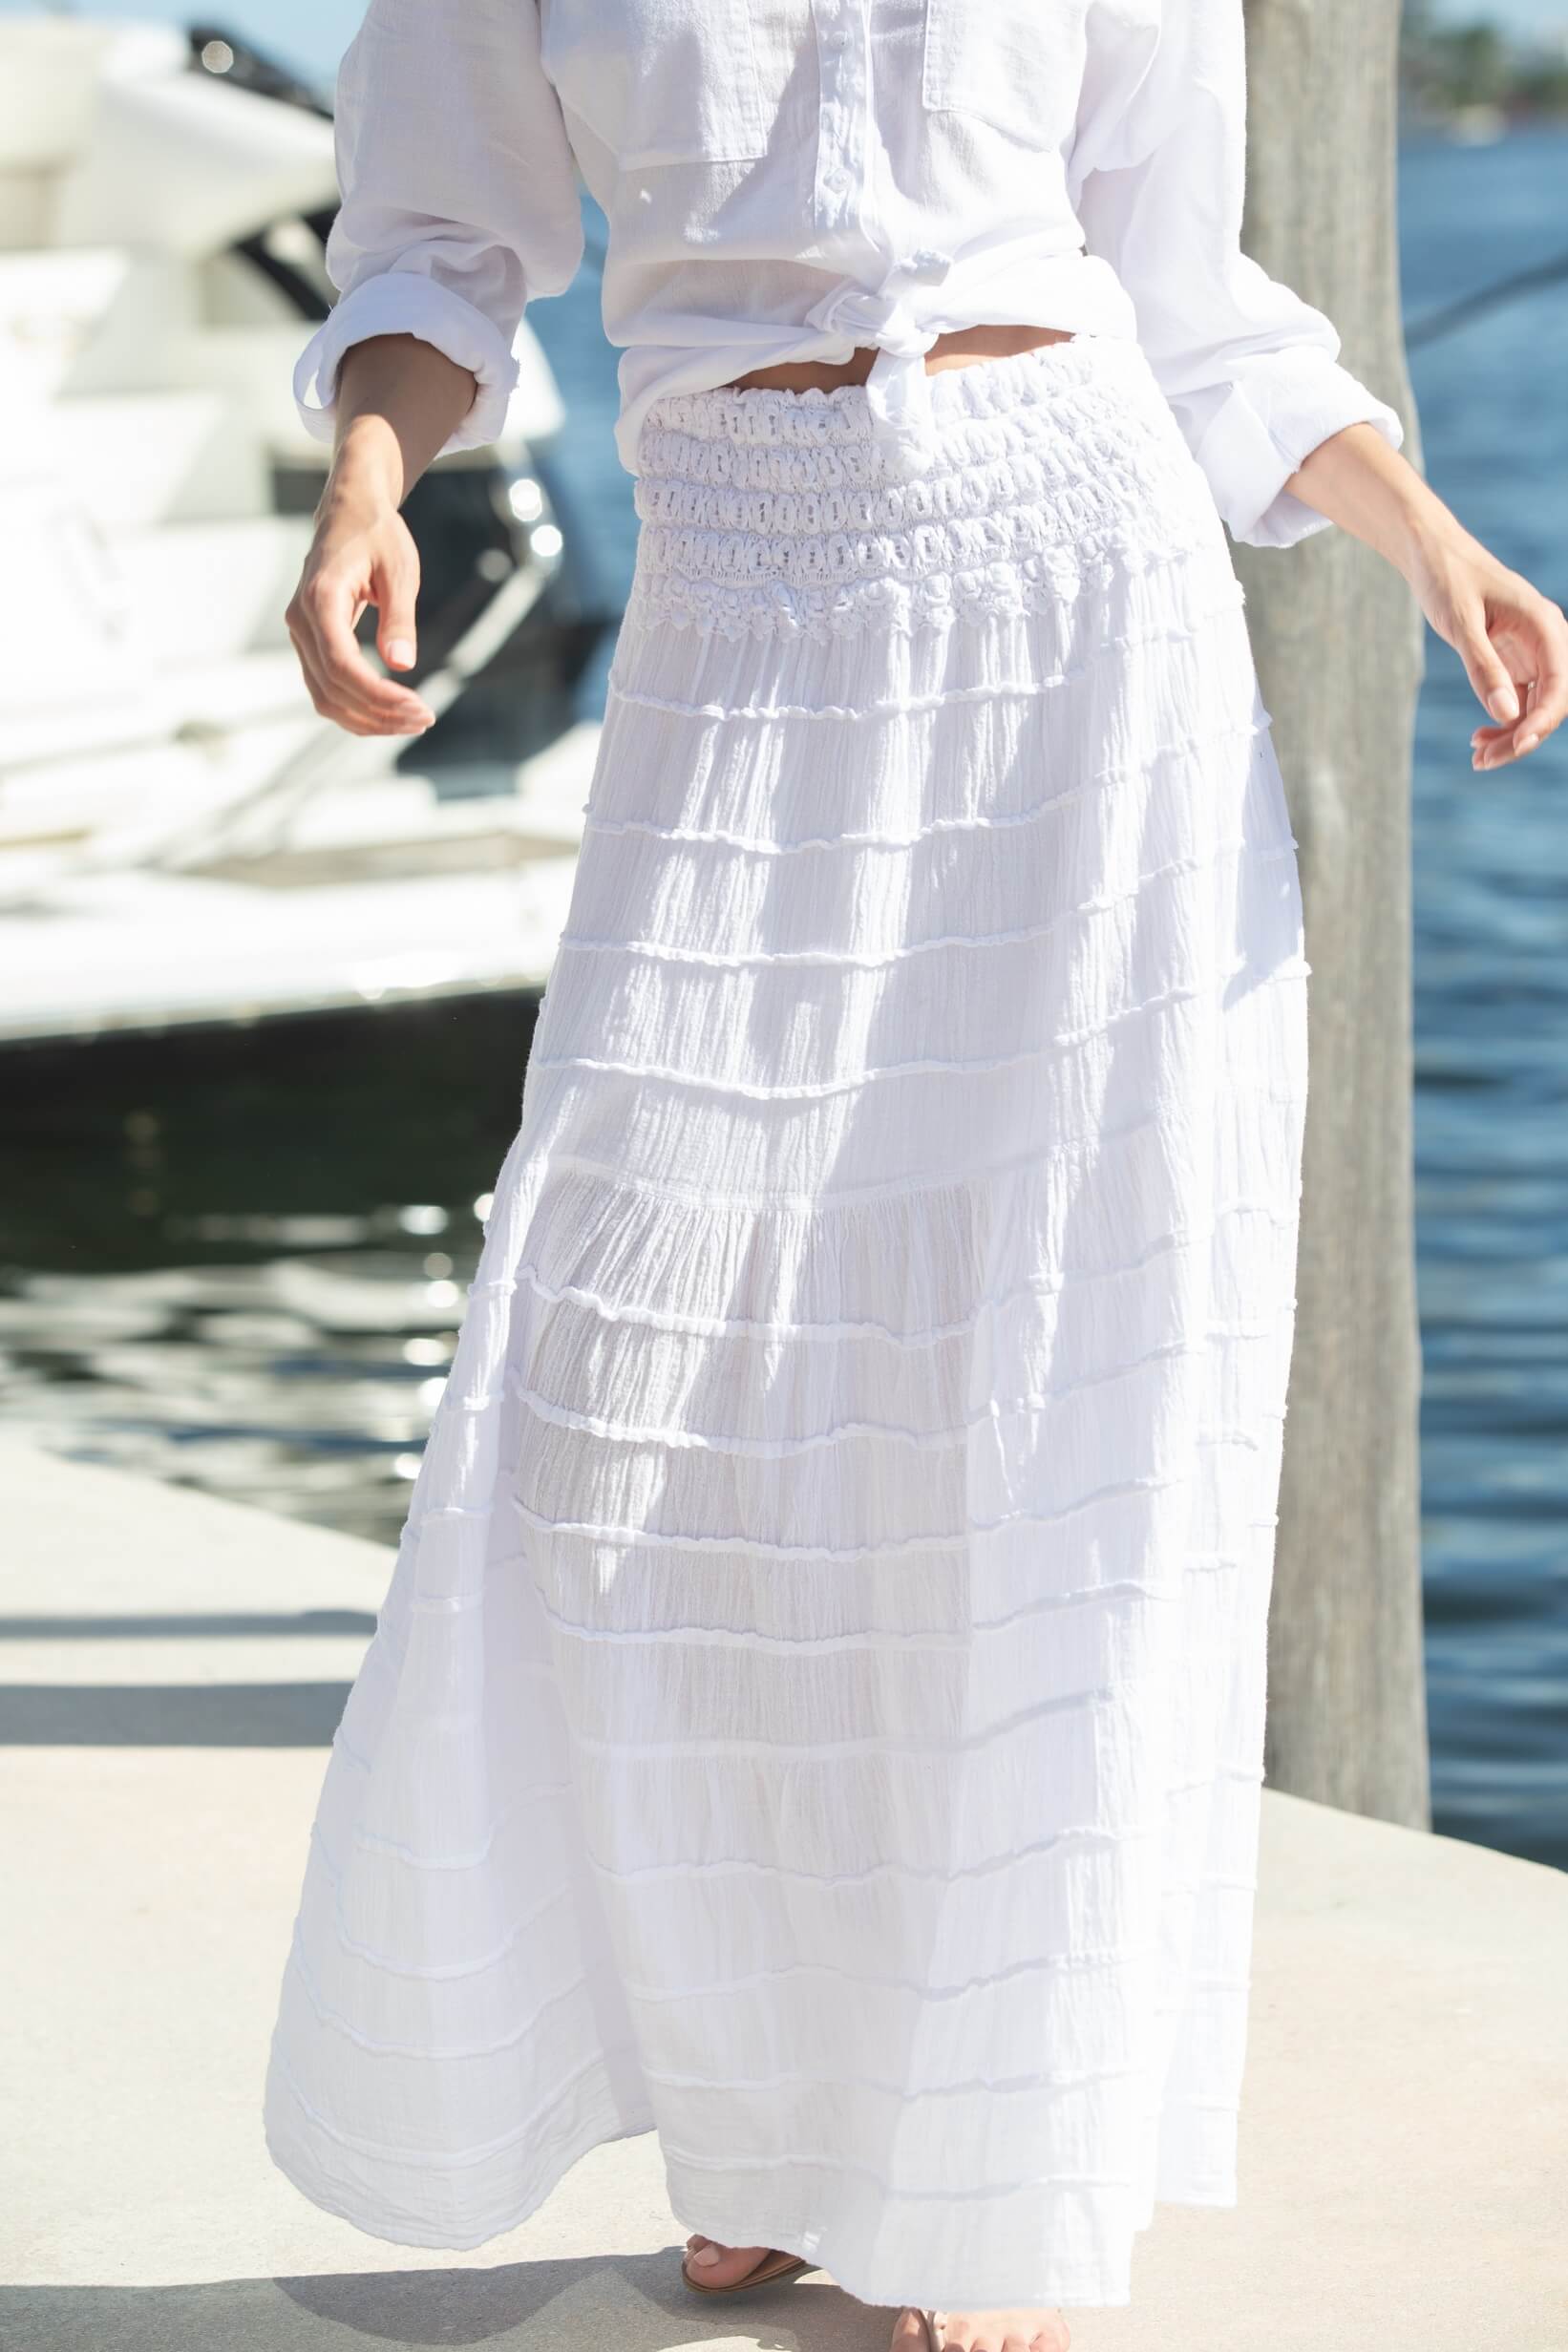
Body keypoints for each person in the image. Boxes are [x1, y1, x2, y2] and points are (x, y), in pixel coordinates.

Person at [265, 6, 1568, 2350]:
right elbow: (441, 245)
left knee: (1035, 1388)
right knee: (636, 1405)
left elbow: (1189, 291)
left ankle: (981, 2162)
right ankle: (767, 2119)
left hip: (1080, 603)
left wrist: (1426, 537)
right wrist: (368, 483)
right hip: (743, 606)